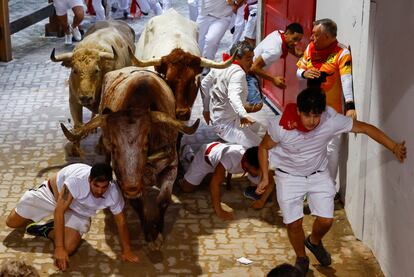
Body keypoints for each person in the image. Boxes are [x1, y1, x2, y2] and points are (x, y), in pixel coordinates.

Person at [255, 88, 406, 275]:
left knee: (326, 220)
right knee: (294, 223)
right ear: (298, 111)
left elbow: (365, 128)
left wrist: (393, 146)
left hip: (318, 174)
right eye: (307, 115)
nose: (312, 121)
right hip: (289, 177)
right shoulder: (281, 126)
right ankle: (301, 257)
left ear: (322, 113)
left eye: (316, 115)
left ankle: (314, 241)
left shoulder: (331, 121)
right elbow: (263, 148)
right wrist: (263, 176)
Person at [5, 163, 139, 271]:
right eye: (96, 186)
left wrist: (127, 251)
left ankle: (48, 229)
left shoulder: (113, 192)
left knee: (67, 247)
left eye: (104, 187)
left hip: (79, 210)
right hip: (52, 195)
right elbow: (59, 211)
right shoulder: (76, 181)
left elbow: (121, 222)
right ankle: (32, 202)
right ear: (89, 180)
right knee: (12, 222)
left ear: (109, 183)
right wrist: (58, 248)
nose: (99, 191)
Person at [296, 18, 356, 187]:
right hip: (309, 111)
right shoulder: (310, 48)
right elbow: (298, 69)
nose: (311, 38)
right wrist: (304, 74)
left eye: (315, 35)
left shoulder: (341, 53)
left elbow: (346, 80)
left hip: (332, 112)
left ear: (328, 36)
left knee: (331, 151)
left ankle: (327, 190)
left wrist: (350, 105)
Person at [179, 143, 273, 220]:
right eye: (259, 170)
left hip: (220, 157)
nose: (262, 172)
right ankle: (189, 155)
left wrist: (261, 201)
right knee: (187, 188)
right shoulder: (230, 158)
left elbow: (271, 182)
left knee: (215, 176)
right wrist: (219, 211)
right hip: (205, 157)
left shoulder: (257, 160)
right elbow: (214, 184)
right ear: (247, 164)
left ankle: (199, 168)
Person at [201, 41, 263, 148]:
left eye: (252, 58)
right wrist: (243, 115)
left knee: (263, 130)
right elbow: (233, 97)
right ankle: (226, 142)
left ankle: (227, 140)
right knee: (262, 148)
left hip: (224, 121)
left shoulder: (219, 66)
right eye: (248, 59)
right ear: (237, 58)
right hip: (228, 126)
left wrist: (206, 110)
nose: (252, 63)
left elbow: (203, 84)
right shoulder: (239, 73)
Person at [250, 23, 304, 90]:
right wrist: (273, 79)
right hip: (249, 76)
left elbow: (288, 46)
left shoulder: (279, 33)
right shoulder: (275, 51)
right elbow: (253, 68)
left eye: (299, 40)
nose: (296, 43)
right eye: (294, 39)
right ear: (287, 33)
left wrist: (301, 55)